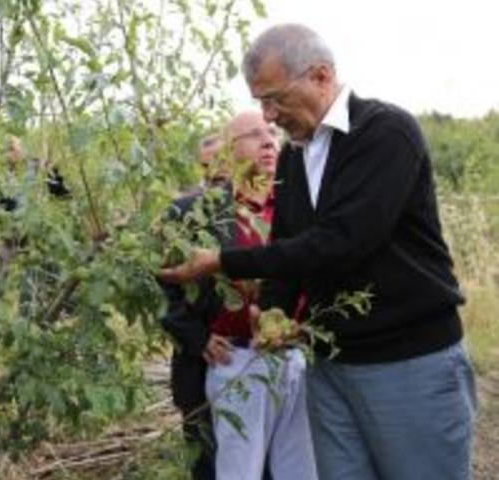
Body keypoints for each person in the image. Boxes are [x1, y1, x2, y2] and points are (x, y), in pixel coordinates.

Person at [160, 24, 476, 480]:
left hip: (406, 363)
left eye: (274, 99)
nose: (268, 116)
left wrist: (222, 262)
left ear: (321, 76)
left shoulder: (385, 133)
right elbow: (288, 244)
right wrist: (271, 310)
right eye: (260, 102)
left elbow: (341, 242)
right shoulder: (294, 156)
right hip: (330, 365)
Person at [159, 113, 290, 480]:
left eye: (272, 133)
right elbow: (159, 282)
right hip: (218, 361)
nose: (269, 142)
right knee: (218, 467)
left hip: (287, 359)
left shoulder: (295, 206)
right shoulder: (191, 212)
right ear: (227, 154)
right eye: (254, 135)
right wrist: (195, 336)